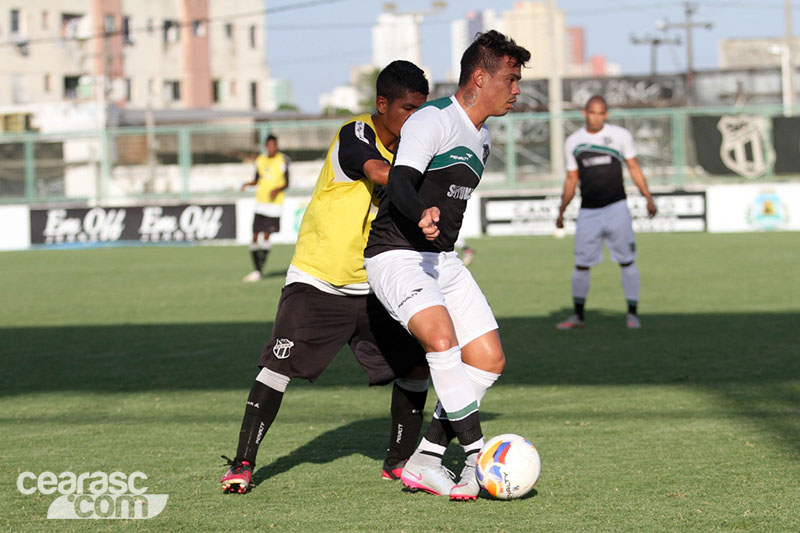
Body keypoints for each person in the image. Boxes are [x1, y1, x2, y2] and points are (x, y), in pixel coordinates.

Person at [220, 60, 431, 494]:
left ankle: (399, 462)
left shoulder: (411, 152)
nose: (414, 119)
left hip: (375, 286)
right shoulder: (355, 133)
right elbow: (375, 171)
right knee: (276, 367)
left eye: (421, 111)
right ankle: (242, 463)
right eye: (408, 109)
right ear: (382, 104)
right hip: (318, 281)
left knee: (415, 365)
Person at [364, 30, 531, 501]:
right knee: (442, 341)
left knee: (488, 359)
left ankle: (425, 460)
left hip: (441, 261)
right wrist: (419, 211)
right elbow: (399, 182)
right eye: (511, 78)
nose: (517, 89)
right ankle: (478, 457)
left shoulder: (482, 139)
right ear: (480, 78)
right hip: (395, 254)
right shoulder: (433, 119)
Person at [555, 95, 658, 330]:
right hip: (588, 212)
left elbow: (633, 166)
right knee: (581, 264)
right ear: (585, 113)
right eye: (592, 112)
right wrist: (561, 211)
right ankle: (578, 316)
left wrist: (648, 198)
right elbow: (572, 178)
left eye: (601, 113)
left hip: (617, 208)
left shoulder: (621, 136)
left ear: (606, 114)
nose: (596, 117)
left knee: (627, 261)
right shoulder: (574, 141)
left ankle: (632, 314)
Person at [241, 135, 290, 282]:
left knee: (267, 235)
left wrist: (276, 190)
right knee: (255, 236)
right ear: (265, 146)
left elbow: (287, 182)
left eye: (273, 145)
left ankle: (259, 269)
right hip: (260, 203)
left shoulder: (283, 160)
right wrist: (247, 184)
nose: (271, 147)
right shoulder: (260, 161)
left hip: (275, 205)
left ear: (277, 146)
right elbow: (257, 179)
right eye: (268, 145)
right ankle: (257, 269)